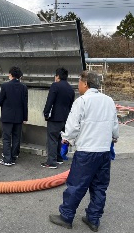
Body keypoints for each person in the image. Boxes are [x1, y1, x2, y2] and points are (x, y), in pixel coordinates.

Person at [49, 71, 119, 231]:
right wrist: (113, 140)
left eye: (79, 82)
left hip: (86, 152)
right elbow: (115, 126)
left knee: (76, 185)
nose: (78, 85)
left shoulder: (82, 101)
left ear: (85, 83)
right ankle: (93, 219)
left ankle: (66, 217)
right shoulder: (109, 101)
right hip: (104, 152)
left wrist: (65, 141)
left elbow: (72, 127)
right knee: (100, 186)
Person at [41, 67, 75, 169]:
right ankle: (58, 158)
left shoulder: (55, 86)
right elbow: (70, 105)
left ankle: (51, 162)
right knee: (59, 137)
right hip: (65, 118)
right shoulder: (70, 89)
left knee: (52, 139)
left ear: (58, 76)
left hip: (55, 117)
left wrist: (46, 113)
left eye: (55, 76)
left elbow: (49, 101)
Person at [0, 66, 28, 166]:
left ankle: (7, 159)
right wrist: (25, 117)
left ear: (11, 75)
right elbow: (25, 103)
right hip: (19, 117)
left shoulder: (5, 86)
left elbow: (0, 101)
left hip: (7, 116)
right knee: (16, 137)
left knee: (6, 138)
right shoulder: (24, 87)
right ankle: (13, 156)